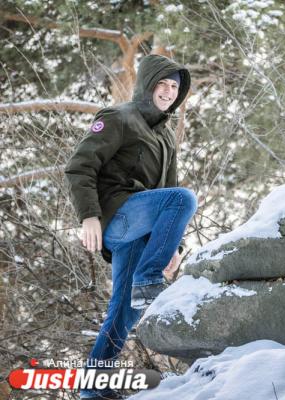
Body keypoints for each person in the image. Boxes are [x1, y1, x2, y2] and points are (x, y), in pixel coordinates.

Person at [65, 54, 197, 400]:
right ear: (147, 84)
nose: (169, 92)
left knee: (123, 313)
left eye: (174, 87)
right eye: (163, 84)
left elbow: (167, 188)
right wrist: (88, 216)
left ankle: (92, 390)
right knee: (184, 199)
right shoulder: (118, 117)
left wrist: (174, 248)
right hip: (116, 215)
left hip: (141, 229)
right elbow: (79, 167)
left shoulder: (167, 138)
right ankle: (148, 279)